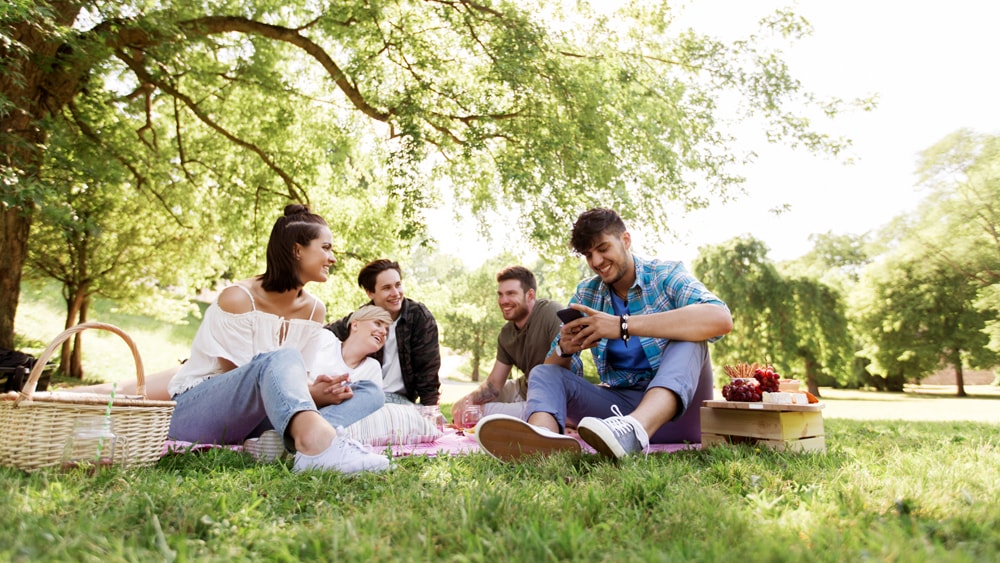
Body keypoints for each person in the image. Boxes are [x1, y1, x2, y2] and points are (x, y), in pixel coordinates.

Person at [476, 207, 733, 460]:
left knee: (688, 339)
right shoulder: (587, 294)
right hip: (618, 413)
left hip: (680, 415)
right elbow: (556, 373)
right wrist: (564, 349)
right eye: (589, 255)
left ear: (625, 240)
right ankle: (542, 440)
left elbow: (720, 317)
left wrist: (623, 325)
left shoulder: (664, 275)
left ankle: (634, 429)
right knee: (544, 370)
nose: (596, 262)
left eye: (602, 249)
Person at [166, 204, 390, 474]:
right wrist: (309, 393)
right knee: (283, 357)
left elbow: (296, 379)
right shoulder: (237, 298)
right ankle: (315, 443)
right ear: (297, 250)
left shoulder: (314, 310)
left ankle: (281, 442)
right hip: (198, 412)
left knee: (369, 391)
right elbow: (243, 380)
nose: (332, 258)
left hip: (265, 417)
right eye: (326, 248)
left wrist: (317, 389)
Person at [451, 265, 573, 424]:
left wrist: (473, 409)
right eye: (500, 294)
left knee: (481, 414)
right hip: (524, 388)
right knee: (467, 409)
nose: (503, 301)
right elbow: (494, 384)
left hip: (553, 397)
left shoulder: (551, 312)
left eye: (511, 294)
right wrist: (468, 400)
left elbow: (567, 368)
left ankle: (567, 419)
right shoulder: (506, 334)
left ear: (530, 295)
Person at [326, 259, 442, 406]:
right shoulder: (361, 318)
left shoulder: (419, 317)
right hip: (362, 397)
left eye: (398, 285)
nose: (395, 293)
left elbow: (428, 372)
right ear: (370, 293)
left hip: (401, 400)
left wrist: (430, 411)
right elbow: (324, 334)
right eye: (387, 288)